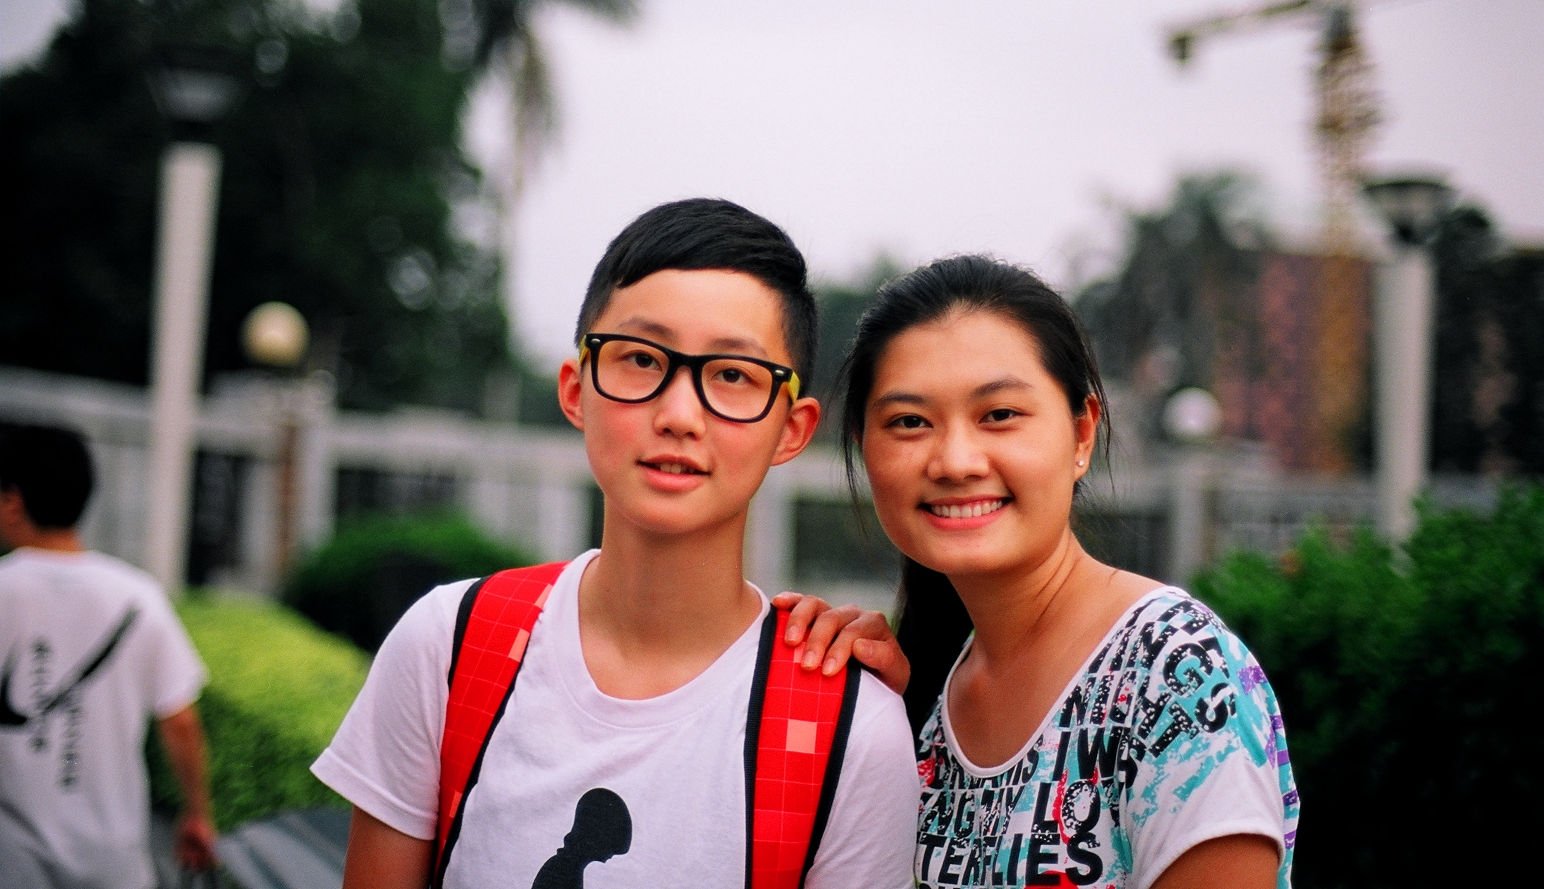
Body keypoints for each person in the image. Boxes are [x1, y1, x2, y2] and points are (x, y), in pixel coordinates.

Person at [312, 199, 919, 888]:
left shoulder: (851, 730)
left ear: (793, 428)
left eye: (732, 375)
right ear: (576, 390)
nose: (680, 414)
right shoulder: (449, 647)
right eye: (639, 358)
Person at [784, 255, 1299, 888]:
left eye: (999, 414)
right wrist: (855, 701)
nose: (955, 461)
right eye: (910, 422)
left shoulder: (1173, 672)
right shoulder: (918, 696)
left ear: (1082, 435)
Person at [0, 424, 216, 889]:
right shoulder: (138, 596)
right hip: (114, 861)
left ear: (12, 499)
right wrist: (197, 814)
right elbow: (179, 721)